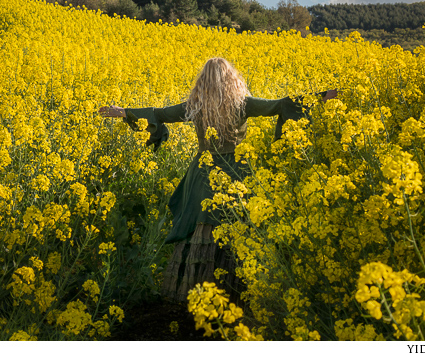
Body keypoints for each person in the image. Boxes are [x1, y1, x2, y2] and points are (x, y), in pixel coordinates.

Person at [99, 57, 337, 303]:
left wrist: (124, 112)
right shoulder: (242, 104)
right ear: (231, 79)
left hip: (202, 173)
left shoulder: (195, 105)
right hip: (237, 171)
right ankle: (235, 292)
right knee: (236, 223)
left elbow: (160, 114)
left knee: (201, 226)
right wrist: (322, 96)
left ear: (202, 81)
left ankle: (193, 290)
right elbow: (279, 105)